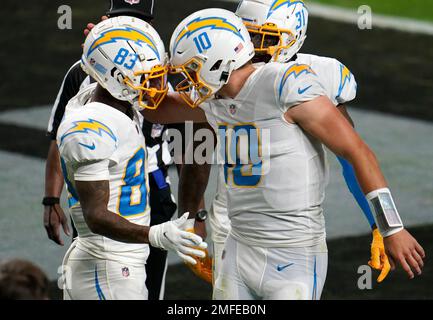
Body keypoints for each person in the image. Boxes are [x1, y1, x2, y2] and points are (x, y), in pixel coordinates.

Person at [141, 8, 425, 300]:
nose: (186, 82)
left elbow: (356, 152)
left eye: (189, 71)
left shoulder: (285, 84)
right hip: (237, 247)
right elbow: (154, 106)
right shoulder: (215, 99)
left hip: (294, 252)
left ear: (217, 64)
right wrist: (118, 49)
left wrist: (390, 227)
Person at [196, 0, 390, 285]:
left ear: (293, 38)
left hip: (289, 225)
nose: (254, 47)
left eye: (264, 38)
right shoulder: (225, 71)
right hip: (233, 215)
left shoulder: (316, 75)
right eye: (246, 35)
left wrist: (379, 224)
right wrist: (196, 215)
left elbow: (351, 154)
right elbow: (198, 141)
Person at [57, 16, 206, 300]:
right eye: (147, 77)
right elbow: (96, 216)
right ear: (115, 79)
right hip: (106, 267)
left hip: (119, 262)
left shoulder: (112, 99)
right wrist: (156, 234)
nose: (156, 84)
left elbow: (189, 106)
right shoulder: (89, 126)